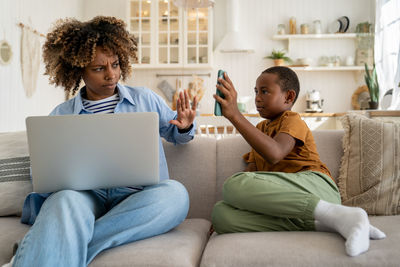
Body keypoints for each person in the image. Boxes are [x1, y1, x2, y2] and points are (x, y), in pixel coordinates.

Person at [6, 16, 198, 267]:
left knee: (176, 195)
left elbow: (178, 135)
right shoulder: (62, 114)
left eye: (116, 65)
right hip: (85, 198)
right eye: (99, 69)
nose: (111, 75)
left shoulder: (145, 99)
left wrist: (185, 126)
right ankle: (55, 239)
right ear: (79, 70)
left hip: (135, 198)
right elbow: (42, 172)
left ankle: (46, 245)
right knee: (63, 200)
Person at [211, 66, 386, 257]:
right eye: (255, 92)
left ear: (288, 97)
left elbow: (275, 153)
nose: (257, 98)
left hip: (318, 188)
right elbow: (252, 176)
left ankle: (336, 214)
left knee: (232, 185)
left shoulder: (292, 119)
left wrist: (235, 115)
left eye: (264, 91)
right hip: (290, 207)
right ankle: (333, 223)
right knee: (221, 215)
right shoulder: (260, 130)